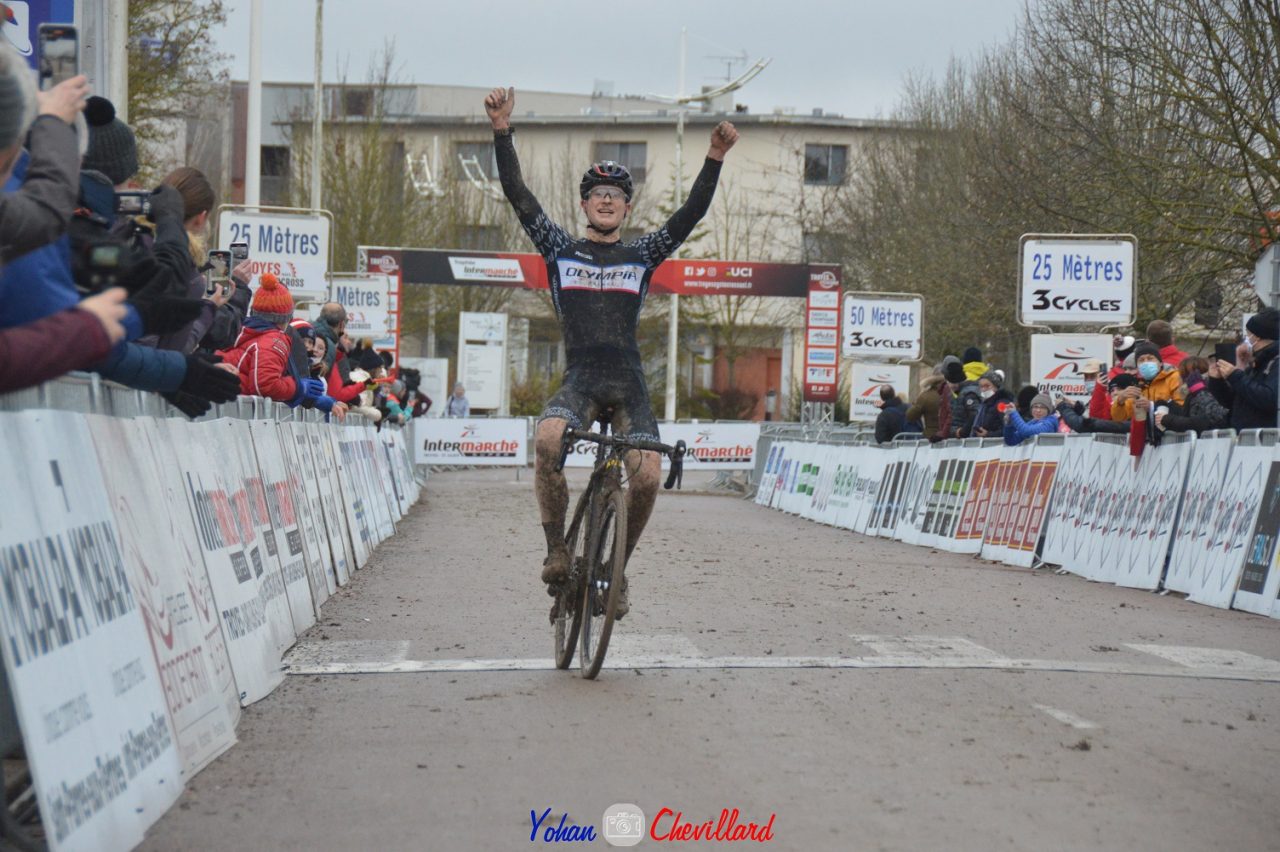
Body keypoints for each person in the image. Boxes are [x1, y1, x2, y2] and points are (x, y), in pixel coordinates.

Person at [486, 84, 738, 615]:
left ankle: (614, 571)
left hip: (628, 385)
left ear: (626, 207)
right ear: (584, 205)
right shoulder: (559, 248)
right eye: (597, 193)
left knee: (646, 475)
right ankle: (557, 549)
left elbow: (689, 215)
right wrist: (502, 131)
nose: (606, 199)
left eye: (616, 194)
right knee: (548, 439)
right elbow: (518, 194)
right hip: (580, 380)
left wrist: (713, 158)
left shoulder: (642, 254)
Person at [217, 273, 338, 413]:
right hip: (234, 413)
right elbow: (265, 385)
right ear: (286, 317)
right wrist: (299, 388)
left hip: (222, 406)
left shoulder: (240, 330)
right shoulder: (274, 340)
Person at [1208, 307, 1278, 430]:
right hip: (1245, 439)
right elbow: (1236, 402)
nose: (1246, 339)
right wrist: (1217, 382)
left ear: (1257, 337)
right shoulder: (1257, 363)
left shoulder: (1275, 362)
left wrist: (1235, 376)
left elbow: (1270, 399)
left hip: (1264, 441)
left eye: (1248, 334)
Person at [1110, 340, 1186, 422]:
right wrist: (1120, 401)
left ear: (1160, 363)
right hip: (1149, 433)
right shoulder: (1138, 386)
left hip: (1172, 432)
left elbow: (1183, 409)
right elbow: (1119, 418)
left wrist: (1152, 406)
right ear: (1137, 367)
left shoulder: (1174, 378)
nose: (1146, 362)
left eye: (1150, 358)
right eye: (1141, 360)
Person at [1158, 356, 1229, 434]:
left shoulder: (1200, 394)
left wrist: (1168, 419)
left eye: (1181, 374)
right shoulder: (1195, 394)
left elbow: (1197, 423)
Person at [963, 372, 1014, 438]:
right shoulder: (984, 405)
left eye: (987, 386)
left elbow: (1009, 428)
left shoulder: (1002, 404)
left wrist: (988, 434)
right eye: (981, 386)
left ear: (996, 386)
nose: (984, 389)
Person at [905, 373, 945, 441]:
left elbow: (910, 416)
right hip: (952, 436)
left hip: (932, 436)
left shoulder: (926, 396)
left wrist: (917, 402)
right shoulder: (953, 392)